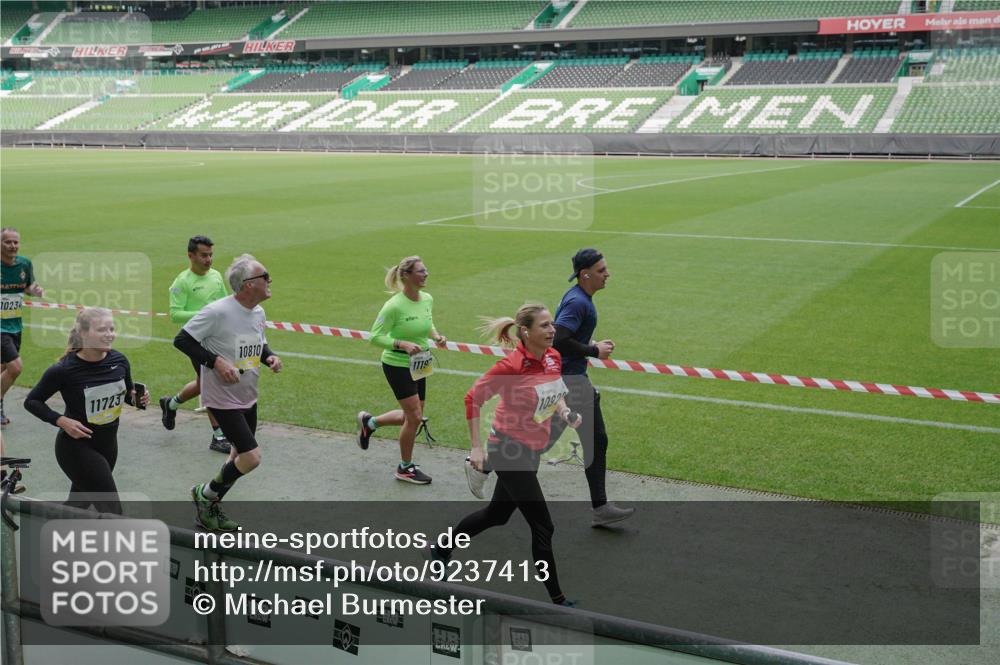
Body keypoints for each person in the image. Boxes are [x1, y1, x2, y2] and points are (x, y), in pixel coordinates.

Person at [429, 304, 579, 606]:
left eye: (552, 325)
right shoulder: (510, 367)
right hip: (509, 449)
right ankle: (559, 601)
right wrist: (476, 447)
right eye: (545, 326)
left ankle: (441, 549)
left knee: (496, 515)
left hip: (532, 447)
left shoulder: (553, 357)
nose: (552, 330)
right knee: (543, 526)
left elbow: (556, 390)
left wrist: (564, 411)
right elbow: (472, 398)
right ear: (526, 331)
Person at [175, 254, 281, 532]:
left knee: (236, 457)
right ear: (248, 284)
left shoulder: (258, 311)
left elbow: (259, 341)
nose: (270, 281)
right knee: (251, 457)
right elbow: (182, 340)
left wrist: (269, 356)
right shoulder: (217, 311)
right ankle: (205, 494)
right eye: (265, 276)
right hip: (222, 397)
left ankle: (209, 510)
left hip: (248, 394)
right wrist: (216, 361)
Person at [23, 307, 150, 514]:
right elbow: (32, 401)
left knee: (79, 504)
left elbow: (128, 394)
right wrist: (61, 420)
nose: (109, 334)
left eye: (112, 328)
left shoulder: (119, 361)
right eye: (102, 330)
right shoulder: (63, 369)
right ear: (83, 333)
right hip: (75, 448)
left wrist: (138, 398)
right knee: (113, 512)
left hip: (108, 445)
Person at [546, 249, 634, 527]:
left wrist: (588, 343)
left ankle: (600, 506)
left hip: (571, 379)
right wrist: (593, 350)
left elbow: (566, 337)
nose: (607, 274)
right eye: (601, 270)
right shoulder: (577, 302)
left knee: (554, 440)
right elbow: (558, 339)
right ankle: (484, 463)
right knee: (594, 439)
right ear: (585, 274)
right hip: (570, 382)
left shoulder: (579, 298)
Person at [356, 256, 446, 485]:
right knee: (415, 417)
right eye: (421, 271)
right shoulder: (394, 305)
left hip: (422, 362)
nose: (426, 274)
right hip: (397, 364)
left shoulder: (427, 299)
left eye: (426, 270)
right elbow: (374, 336)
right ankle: (405, 468)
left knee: (413, 416)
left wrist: (436, 336)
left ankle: (370, 423)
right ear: (406, 276)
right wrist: (402, 344)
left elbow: (427, 322)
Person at [159, 235, 231, 453]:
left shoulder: (217, 276)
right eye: (204, 255)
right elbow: (175, 315)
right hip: (196, 341)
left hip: (218, 338)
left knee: (204, 382)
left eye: (210, 255)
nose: (208, 259)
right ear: (191, 256)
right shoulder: (181, 282)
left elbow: (225, 303)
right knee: (211, 383)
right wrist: (206, 313)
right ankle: (218, 436)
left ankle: (170, 404)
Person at [2, 227, 44, 426]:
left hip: (14, 325)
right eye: (8, 242)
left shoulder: (25, 264)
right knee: (15, 367)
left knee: (3, 367)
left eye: (15, 242)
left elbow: (26, 288)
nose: (12, 246)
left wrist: (34, 291)